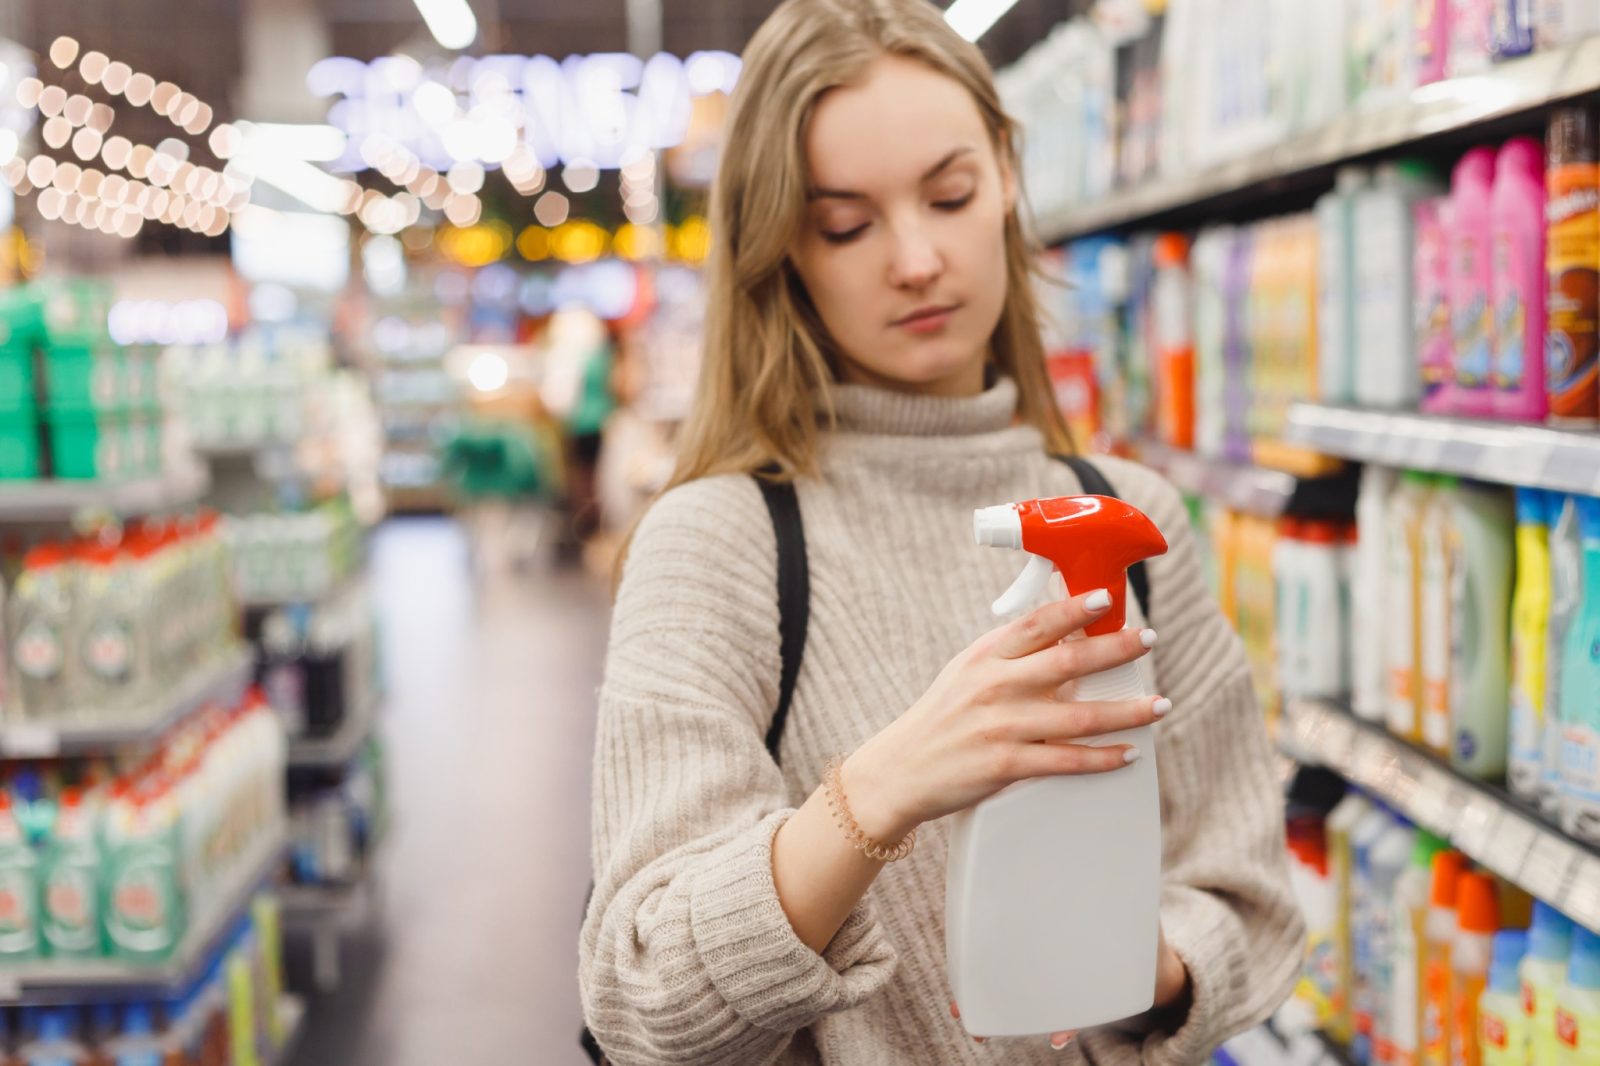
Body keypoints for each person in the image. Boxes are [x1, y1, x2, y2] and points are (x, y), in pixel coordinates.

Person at [578, 1, 1305, 1062]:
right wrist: (885, 786)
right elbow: (642, 997)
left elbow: (1246, 897)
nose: (916, 258)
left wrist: (1133, 962)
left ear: (1006, 179)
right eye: (846, 223)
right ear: (780, 246)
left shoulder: (1127, 519)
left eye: (950, 194)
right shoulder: (715, 541)